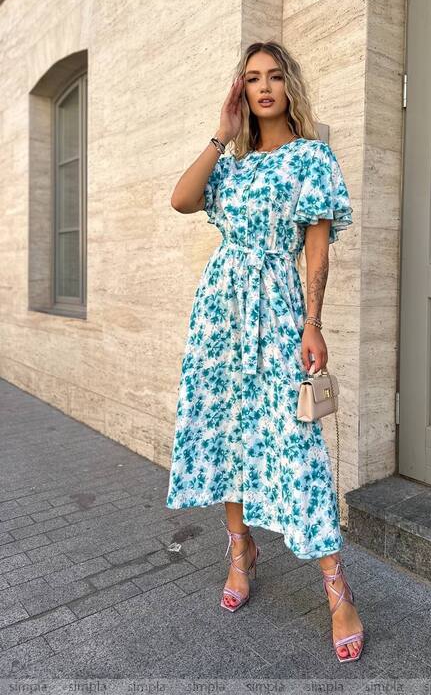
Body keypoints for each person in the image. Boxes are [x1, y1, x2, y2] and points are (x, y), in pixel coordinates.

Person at [166, 41, 365, 662]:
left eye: (275, 76)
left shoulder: (313, 159)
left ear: (289, 86)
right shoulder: (228, 165)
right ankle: (239, 550)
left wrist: (314, 322)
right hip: (221, 313)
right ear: (241, 92)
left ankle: (337, 590)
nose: (265, 87)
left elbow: (319, 249)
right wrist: (219, 135)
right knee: (227, 429)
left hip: (280, 310)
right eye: (252, 79)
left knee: (295, 439)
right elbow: (180, 198)